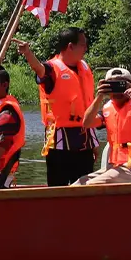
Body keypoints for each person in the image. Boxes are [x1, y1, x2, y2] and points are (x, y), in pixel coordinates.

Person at [16, 28, 98, 186]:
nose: (86, 48)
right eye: (83, 44)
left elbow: (88, 107)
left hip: (85, 139)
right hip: (59, 141)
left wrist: (94, 142)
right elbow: (39, 69)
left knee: (84, 190)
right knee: (58, 187)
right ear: (70, 46)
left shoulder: (84, 68)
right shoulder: (52, 69)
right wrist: (28, 53)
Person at [75, 68, 131, 185]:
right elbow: (87, 123)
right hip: (114, 167)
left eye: (121, 85)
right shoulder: (107, 108)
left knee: (91, 185)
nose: (117, 91)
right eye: (112, 85)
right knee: (78, 184)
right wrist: (99, 97)